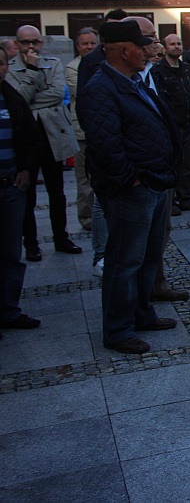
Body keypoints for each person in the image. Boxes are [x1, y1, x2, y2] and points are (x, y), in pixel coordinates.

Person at [78, 21, 182, 354]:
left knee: (147, 256)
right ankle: (118, 329)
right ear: (125, 51)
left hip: (152, 183)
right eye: (143, 45)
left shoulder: (134, 82)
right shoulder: (100, 88)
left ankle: (141, 313)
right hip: (130, 190)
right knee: (124, 260)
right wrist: (133, 178)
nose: (150, 50)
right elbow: (106, 147)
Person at [5, 25, 81, 261]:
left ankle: (61, 237)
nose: (31, 47)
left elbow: (58, 93)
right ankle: (31, 243)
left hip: (52, 135)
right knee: (27, 194)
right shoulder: (10, 68)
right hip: (27, 139)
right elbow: (18, 100)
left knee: (56, 191)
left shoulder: (55, 63)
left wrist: (30, 98)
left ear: (41, 43)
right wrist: (31, 71)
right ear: (17, 44)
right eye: (25, 42)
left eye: (35, 42)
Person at [0, 48, 43, 333]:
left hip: (11, 186)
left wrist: (26, 168)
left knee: (10, 253)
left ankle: (8, 310)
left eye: (1, 62)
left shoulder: (11, 97)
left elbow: (29, 136)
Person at [153, 33, 190, 212]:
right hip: (169, 125)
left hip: (187, 122)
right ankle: (171, 201)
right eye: (172, 44)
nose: (176, 46)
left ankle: (188, 198)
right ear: (165, 48)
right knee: (171, 164)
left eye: (178, 43)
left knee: (188, 163)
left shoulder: (188, 70)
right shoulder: (158, 71)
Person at [66, 28, 99, 231]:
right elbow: (85, 92)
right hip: (81, 130)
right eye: (84, 43)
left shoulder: (102, 64)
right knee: (84, 178)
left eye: (92, 43)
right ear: (77, 47)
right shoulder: (72, 67)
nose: (88, 47)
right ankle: (86, 217)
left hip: (101, 130)